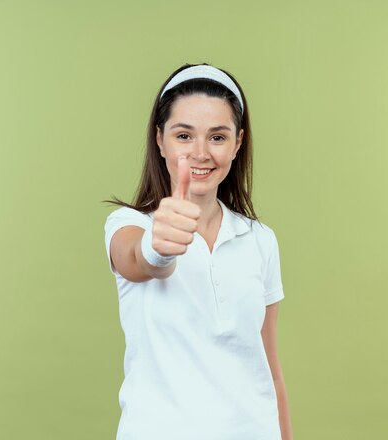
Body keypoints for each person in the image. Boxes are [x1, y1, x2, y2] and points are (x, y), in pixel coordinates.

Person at [103, 63, 293, 440]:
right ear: (160, 140)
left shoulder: (259, 239)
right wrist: (158, 250)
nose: (200, 153)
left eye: (218, 137)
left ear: (238, 143)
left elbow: (269, 368)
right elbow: (136, 260)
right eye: (184, 135)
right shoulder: (131, 225)